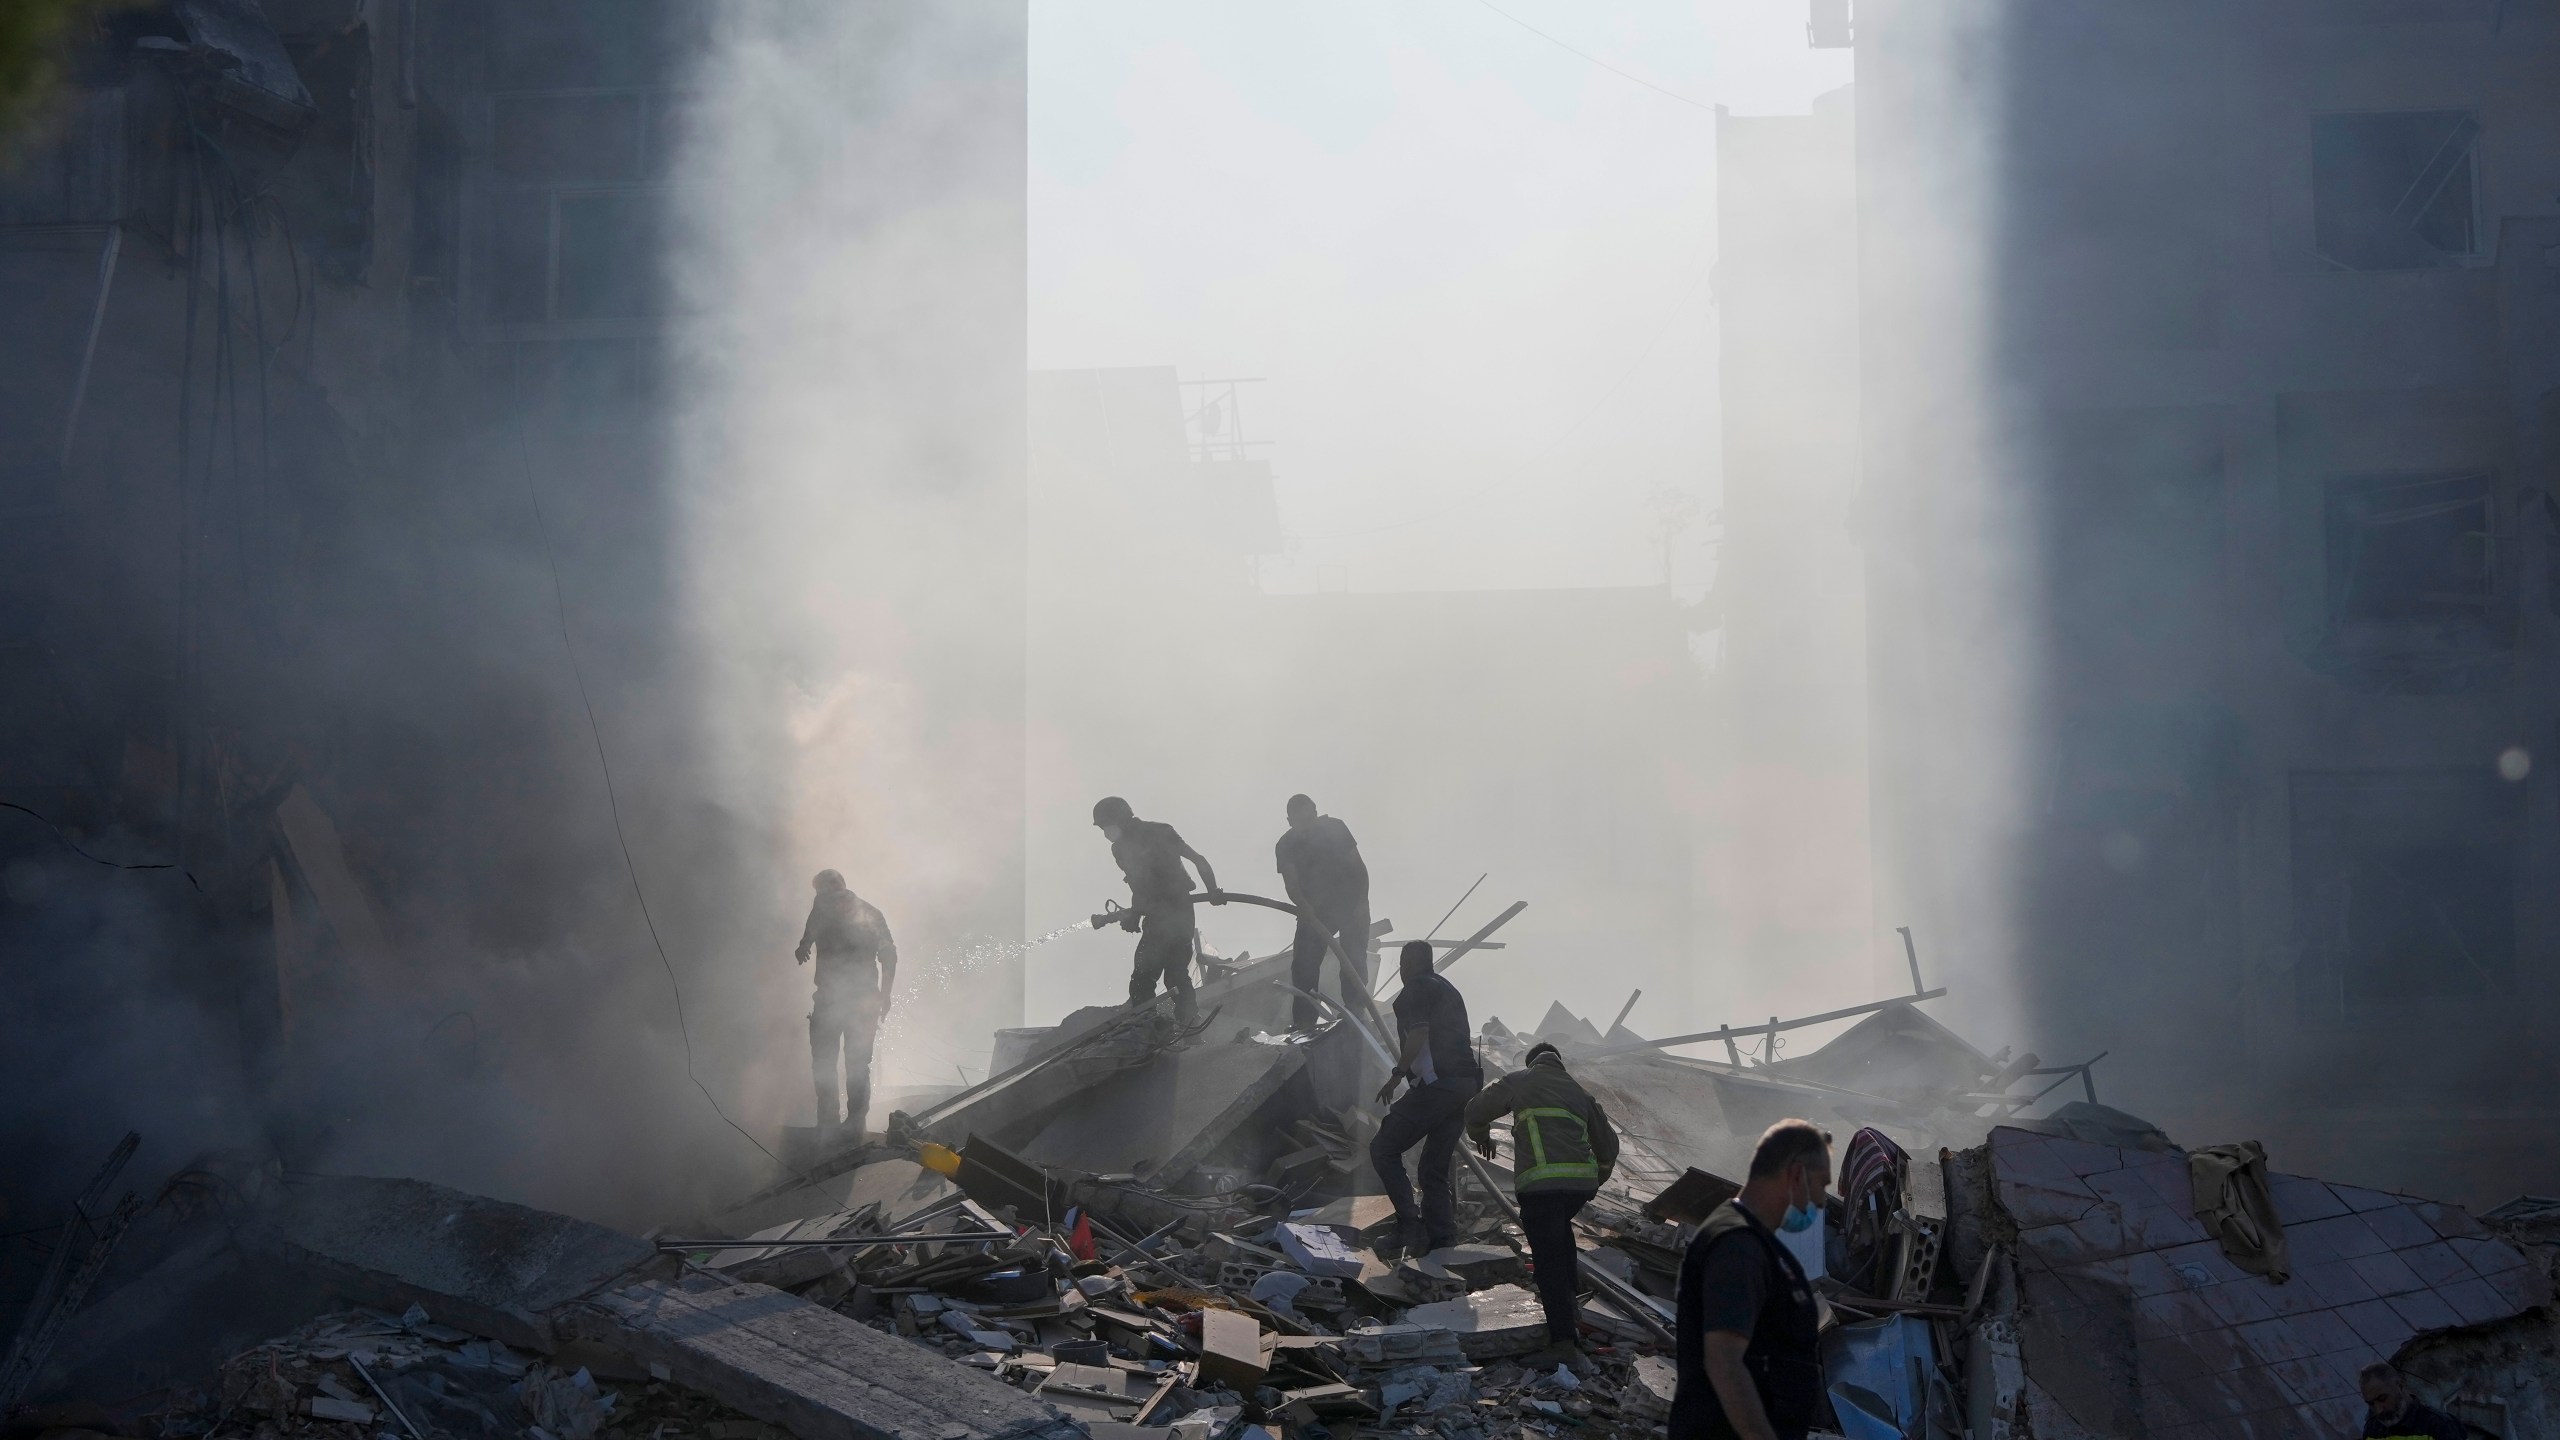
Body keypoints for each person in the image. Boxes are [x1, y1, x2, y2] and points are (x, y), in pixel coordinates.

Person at [1672, 1120, 1831, 1440]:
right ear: (1796, 1175)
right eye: (1821, 1185)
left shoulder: (1760, 1245)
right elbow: (1724, 1361)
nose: (1823, 1200)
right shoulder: (1737, 1246)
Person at [1465, 1041, 1619, 1364]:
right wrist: (1593, 1181)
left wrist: (1481, 1136)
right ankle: (1572, 1328)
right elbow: (1609, 1149)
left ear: (1533, 1062)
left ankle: (1562, 1345)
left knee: (1549, 1262)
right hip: (1576, 1189)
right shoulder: (1580, 1093)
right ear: (1559, 1063)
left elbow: (1475, 1110)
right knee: (1562, 1245)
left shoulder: (1522, 1080)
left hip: (1540, 1187)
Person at [1370, 939, 1484, 1257]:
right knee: (1433, 1168)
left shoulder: (1417, 987)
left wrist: (1396, 1076)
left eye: (1403, 962)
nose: (1401, 969)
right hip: (1465, 1087)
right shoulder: (1448, 989)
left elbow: (1418, 1032)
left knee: (1383, 1148)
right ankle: (1442, 1240)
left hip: (1438, 1085)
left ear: (1411, 962)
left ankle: (1409, 1226)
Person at [1093, 795, 1219, 1026]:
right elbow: (1140, 884)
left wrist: (1213, 891)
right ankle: (1185, 1027)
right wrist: (1134, 915)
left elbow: (1196, 860)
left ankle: (1149, 1027)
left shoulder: (1152, 835)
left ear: (1120, 819)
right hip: (1171, 912)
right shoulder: (1127, 845)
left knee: (1146, 977)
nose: (1105, 833)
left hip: (1172, 910)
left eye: (1106, 826)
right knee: (1175, 974)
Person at [795, 869, 897, 1138]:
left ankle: (854, 1126)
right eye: (821, 893)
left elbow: (889, 955)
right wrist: (803, 946)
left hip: (862, 1001)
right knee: (823, 1064)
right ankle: (827, 1124)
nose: (825, 896)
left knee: (856, 1064)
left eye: (828, 889)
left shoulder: (870, 914)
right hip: (828, 1000)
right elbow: (808, 934)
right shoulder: (820, 911)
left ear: (841, 886)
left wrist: (885, 995)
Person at [1274, 793, 1373, 1031]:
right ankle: (1304, 1020)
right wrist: (1304, 907)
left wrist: (1362, 902)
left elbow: (1358, 867)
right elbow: (1291, 883)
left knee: (1353, 957)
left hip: (1349, 903)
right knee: (1304, 964)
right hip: (1315, 911)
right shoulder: (1285, 845)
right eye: (1301, 822)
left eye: (1310, 819)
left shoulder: (1335, 828)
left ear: (1316, 813)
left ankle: (1355, 1009)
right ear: (1290, 822)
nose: (1307, 827)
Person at [2356, 1363, 2465, 1440]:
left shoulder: (2439, 1425)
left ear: (2400, 1386)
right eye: (2371, 1404)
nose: (2379, 1410)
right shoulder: (2373, 1429)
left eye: (2382, 1399)